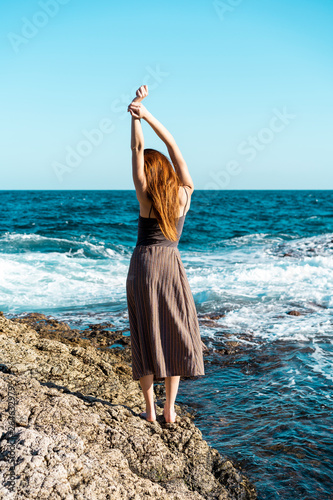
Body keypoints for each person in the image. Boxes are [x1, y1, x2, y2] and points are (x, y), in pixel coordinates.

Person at [126, 85, 205, 424]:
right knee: (174, 330)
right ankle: (170, 410)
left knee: (144, 330)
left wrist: (134, 116)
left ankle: (150, 410)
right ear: (169, 172)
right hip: (170, 264)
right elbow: (174, 149)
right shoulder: (184, 195)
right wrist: (148, 113)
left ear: (148, 172)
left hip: (143, 264)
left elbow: (137, 146)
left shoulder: (145, 196)